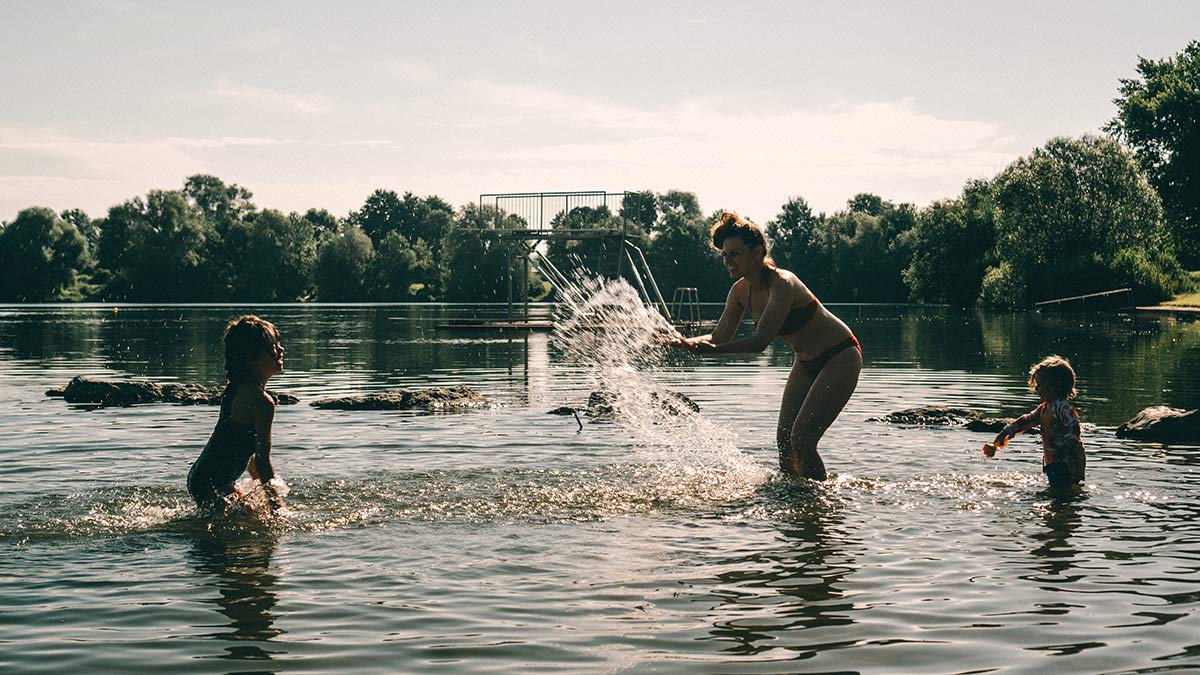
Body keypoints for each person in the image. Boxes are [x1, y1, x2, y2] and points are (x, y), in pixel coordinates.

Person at [670, 211, 861, 479]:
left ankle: (818, 499)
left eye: (735, 254)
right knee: (784, 440)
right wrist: (682, 342)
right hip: (805, 361)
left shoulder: (783, 284)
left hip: (840, 356)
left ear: (757, 252)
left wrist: (714, 352)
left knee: (802, 439)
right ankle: (793, 496)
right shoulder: (739, 291)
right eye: (724, 255)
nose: (728, 261)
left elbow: (760, 342)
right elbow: (717, 337)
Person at [187, 315, 286, 512]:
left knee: (247, 518)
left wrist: (259, 489)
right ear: (251, 358)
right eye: (274, 347)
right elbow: (262, 459)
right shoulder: (261, 401)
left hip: (200, 476)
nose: (281, 350)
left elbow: (241, 446)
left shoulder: (235, 389)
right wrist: (278, 507)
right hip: (215, 481)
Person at [983, 355, 1086, 489]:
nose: (1037, 389)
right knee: (1057, 495)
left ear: (1057, 385)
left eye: (1040, 384)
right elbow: (1027, 420)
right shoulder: (1044, 408)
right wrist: (1006, 433)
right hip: (1053, 461)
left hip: (1068, 462)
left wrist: (1064, 447)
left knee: (1063, 493)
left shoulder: (1062, 407)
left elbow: (1074, 427)